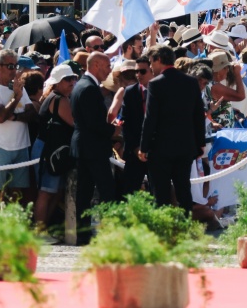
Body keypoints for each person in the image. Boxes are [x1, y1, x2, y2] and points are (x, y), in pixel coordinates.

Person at [139, 45, 205, 210]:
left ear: (159, 60)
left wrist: (143, 146)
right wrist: (200, 143)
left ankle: (164, 231)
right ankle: (186, 227)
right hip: (185, 146)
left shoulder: (155, 84)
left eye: (151, 62)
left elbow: (150, 118)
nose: (151, 67)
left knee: (160, 193)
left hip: (161, 148)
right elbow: (198, 115)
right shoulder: (191, 82)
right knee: (184, 191)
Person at [71, 51, 118, 239]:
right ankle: (110, 235)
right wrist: (113, 131)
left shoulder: (82, 84)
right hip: (93, 147)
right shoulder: (89, 88)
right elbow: (94, 123)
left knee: (85, 192)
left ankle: (83, 235)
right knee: (106, 191)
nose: (109, 71)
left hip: (86, 146)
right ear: (96, 65)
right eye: (107, 66)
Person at [0, 50, 36, 205]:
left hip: (21, 146)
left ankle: (12, 225)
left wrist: (15, 116)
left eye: (15, 66)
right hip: (0, 147)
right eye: (10, 66)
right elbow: (0, 117)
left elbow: (32, 114)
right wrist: (16, 98)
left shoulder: (19, 88)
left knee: (17, 193)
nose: (14, 69)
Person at [32, 64, 77, 227]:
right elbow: (74, 123)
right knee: (46, 192)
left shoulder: (56, 97)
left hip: (52, 149)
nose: (71, 82)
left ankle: (45, 228)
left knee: (56, 192)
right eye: (67, 79)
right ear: (57, 82)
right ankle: (39, 230)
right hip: (47, 150)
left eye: (73, 78)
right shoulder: (59, 99)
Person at [119, 56, 152, 196]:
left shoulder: (161, 90)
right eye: (136, 72)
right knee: (128, 192)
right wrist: (136, 147)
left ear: (152, 71)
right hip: (135, 152)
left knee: (159, 194)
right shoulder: (130, 91)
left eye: (142, 71)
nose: (138, 75)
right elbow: (125, 122)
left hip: (156, 152)